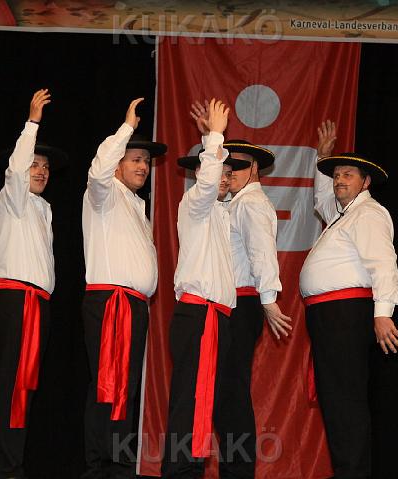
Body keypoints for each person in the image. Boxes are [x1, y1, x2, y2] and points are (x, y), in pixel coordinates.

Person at [191, 97, 292, 478]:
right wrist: (209, 138)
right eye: (227, 165)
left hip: (243, 304)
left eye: (238, 166)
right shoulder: (235, 203)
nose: (230, 172)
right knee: (224, 394)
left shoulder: (251, 204)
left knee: (230, 394)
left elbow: (262, 251)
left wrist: (269, 300)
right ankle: (235, 469)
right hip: (232, 306)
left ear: (254, 169)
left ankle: (239, 472)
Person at [0, 89, 67, 479]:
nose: (41, 171)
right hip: (17, 300)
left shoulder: (43, 208)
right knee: (14, 383)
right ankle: (6, 466)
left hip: (34, 301)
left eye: (45, 166)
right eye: (34, 164)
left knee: (15, 384)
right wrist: (32, 122)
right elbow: (15, 170)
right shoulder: (11, 198)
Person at [298, 120, 398, 479]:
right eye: (337, 174)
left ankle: (353, 472)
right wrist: (322, 159)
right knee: (335, 400)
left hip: (346, 315)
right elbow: (322, 199)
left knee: (345, 401)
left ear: (366, 182)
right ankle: (347, 470)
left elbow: (384, 264)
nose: (339, 180)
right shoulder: (342, 214)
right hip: (329, 316)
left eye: (348, 175)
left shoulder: (368, 214)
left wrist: (383, 314)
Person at [162, 99, 248, 479]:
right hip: (198, 315)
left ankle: (190, 470)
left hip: (216, 318)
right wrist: (214, 135)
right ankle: (180, 472)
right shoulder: (194, 204)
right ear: (200, 174)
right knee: (189, 402)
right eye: (219, 171)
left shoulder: (219, 213)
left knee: (205, 400)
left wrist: (208, 140)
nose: (224, 178)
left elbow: (213, 181)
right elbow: (208, 182)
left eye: (230, 173)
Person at [81, 98, 166, 478]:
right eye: (135, 159)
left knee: (126, 386)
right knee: (107, 384)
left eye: (145, 161)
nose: (143, 166)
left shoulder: (134, 205)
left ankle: (118, 463)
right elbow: (98, 169)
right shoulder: (103, 194)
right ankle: (99, 466)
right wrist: (126, 128)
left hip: (133, 305)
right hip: (110, 301)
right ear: (117, 163)